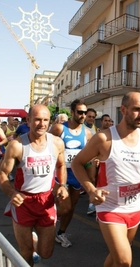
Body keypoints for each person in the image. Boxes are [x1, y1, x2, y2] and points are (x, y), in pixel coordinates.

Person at [71, 92, 140, 267]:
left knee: (116, 257)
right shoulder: (104, 138)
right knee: (124, 261)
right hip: (110, 206)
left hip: (135, 207)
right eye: (136, 109)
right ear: (123, 109)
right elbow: (77, 163)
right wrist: (90, 189)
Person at [0, 104, 69, 266]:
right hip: (23, 202)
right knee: (26, 253)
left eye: (45, 120)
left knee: (46, 253)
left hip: (46, 202)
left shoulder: (57, 143)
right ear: (28, 120)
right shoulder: (17, 145)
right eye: (37, 120)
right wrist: (11, 194)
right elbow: (1, 173)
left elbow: (61, 165)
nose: (42, 124)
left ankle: (34, 238)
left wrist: (62, 185)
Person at [50, 99, 93, 248]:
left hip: (76, 174)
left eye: (85, 113)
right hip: (60, 172)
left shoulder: (87, 133)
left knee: (72, 207)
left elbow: (90, 154)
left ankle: (61, 233)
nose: (83, 115)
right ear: (72, 112)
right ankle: (44, 225)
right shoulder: (59, 129)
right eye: (80, 112)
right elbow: (46, 145)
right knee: (65, 207)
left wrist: (93, 161)